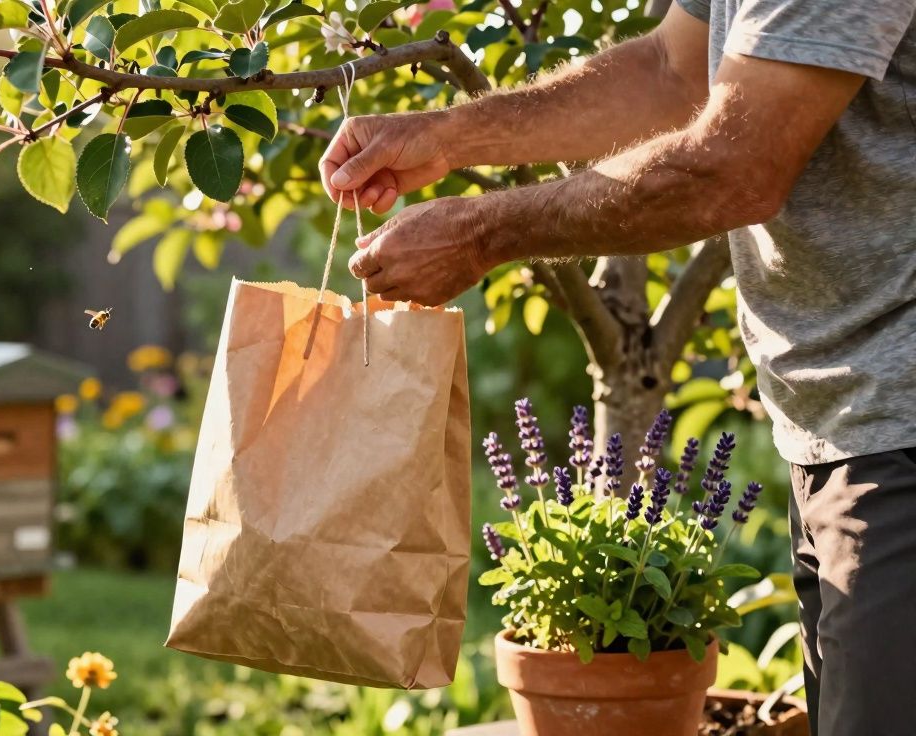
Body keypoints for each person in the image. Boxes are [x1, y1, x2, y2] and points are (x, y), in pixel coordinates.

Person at [319, 2, 915, 735]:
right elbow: (673, 67)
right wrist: (442, 136)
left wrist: (479, 232)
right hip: (841, 416)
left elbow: (734, 167)